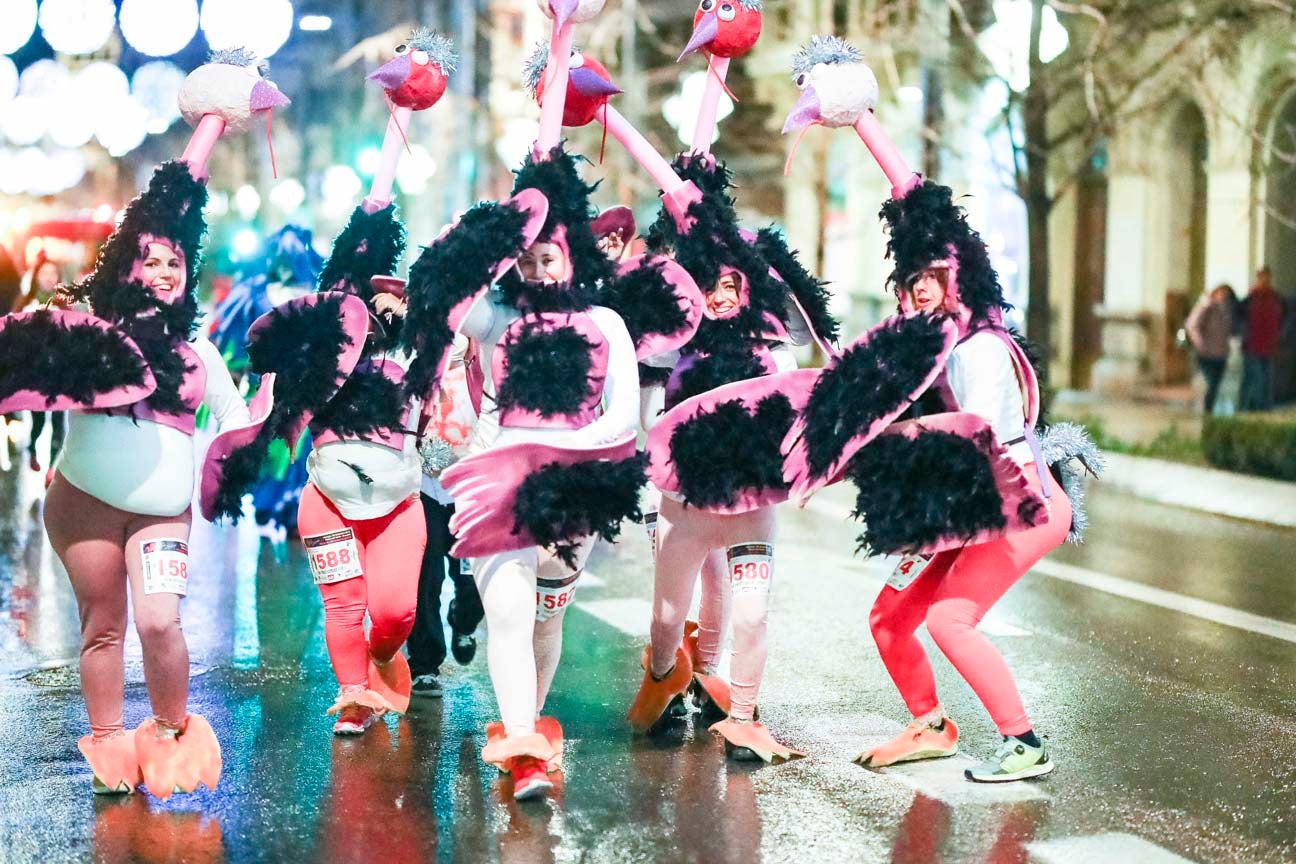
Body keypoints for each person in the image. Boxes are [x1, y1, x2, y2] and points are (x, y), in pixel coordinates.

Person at [407, 333, 484, 698]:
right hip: (422, 490)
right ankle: (424, 665)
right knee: (425, 577)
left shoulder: (484, 367)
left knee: (474, 583)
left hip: (470, 493)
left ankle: (464, 620)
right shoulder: (412, 364)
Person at [19, 253, 70, 475]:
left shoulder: (64, 306)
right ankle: (32, 449)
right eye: (44, 273)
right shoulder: (25, 305)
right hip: (35, 375)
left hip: (60, 374)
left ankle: (51, 468)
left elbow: (76, 336)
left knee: (59, 422)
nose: (49, 278)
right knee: (38, 421)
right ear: (36, 277)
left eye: (53, 274)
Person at [1239, 267, 1286, 411]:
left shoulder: (1276, 298)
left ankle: (1265, 410)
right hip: (1252, 347)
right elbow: (1240, 319)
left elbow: (1284, 318)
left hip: (1269, 347)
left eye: (1267, 277)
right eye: (1261, 277)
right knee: (1255, 381)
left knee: (1267, 382)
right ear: (1257, 278)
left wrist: (1280, 334)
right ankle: (1249, 409)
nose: (1264, 280)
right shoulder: (1249, 298)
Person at [1185, 283, 1234, 413]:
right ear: (1215, 293)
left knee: (1215, 386)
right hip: (1206, 355)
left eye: (1226, 294)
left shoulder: (1227, 311)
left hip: (1221, 355)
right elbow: (1192, 325)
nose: (1223, 296)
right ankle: (1206, 412)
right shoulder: (1206, 307)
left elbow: (1229, 331)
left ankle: (1209, 411)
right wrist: (1200, 344)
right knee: (1210, 386)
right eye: (1221, 293)